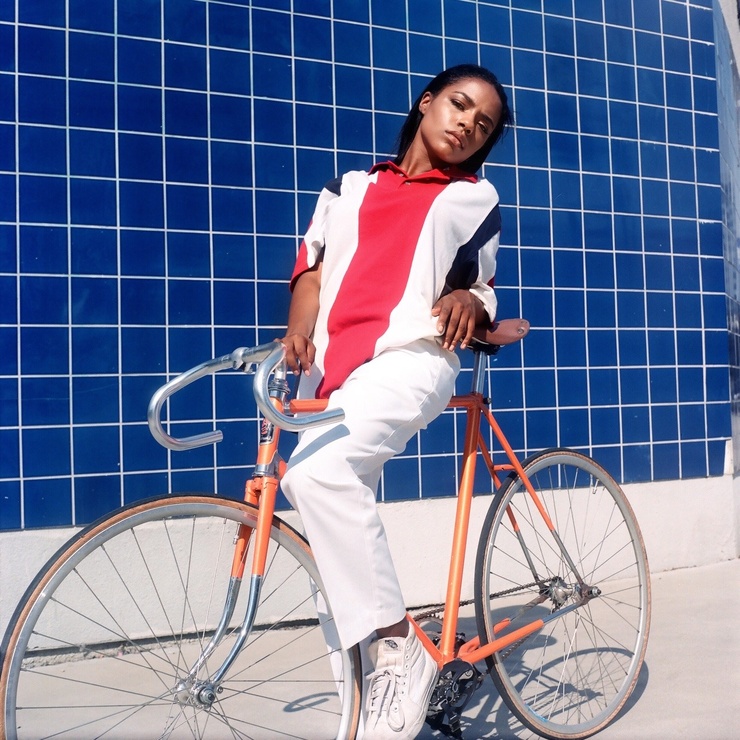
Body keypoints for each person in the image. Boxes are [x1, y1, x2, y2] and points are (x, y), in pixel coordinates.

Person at [279, 64, 513, 739]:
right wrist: (298, 331)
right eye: (459, 105)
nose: (468, 125)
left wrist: (469, 298)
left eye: (483, 124)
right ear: (427, 101)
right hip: (332, 374)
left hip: (412, 359)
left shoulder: (474, 197)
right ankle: (369, 719)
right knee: (331, 548)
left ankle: (397, 642)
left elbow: (481, 285)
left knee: (315, 476)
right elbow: (310, 270)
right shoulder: (347, 188)